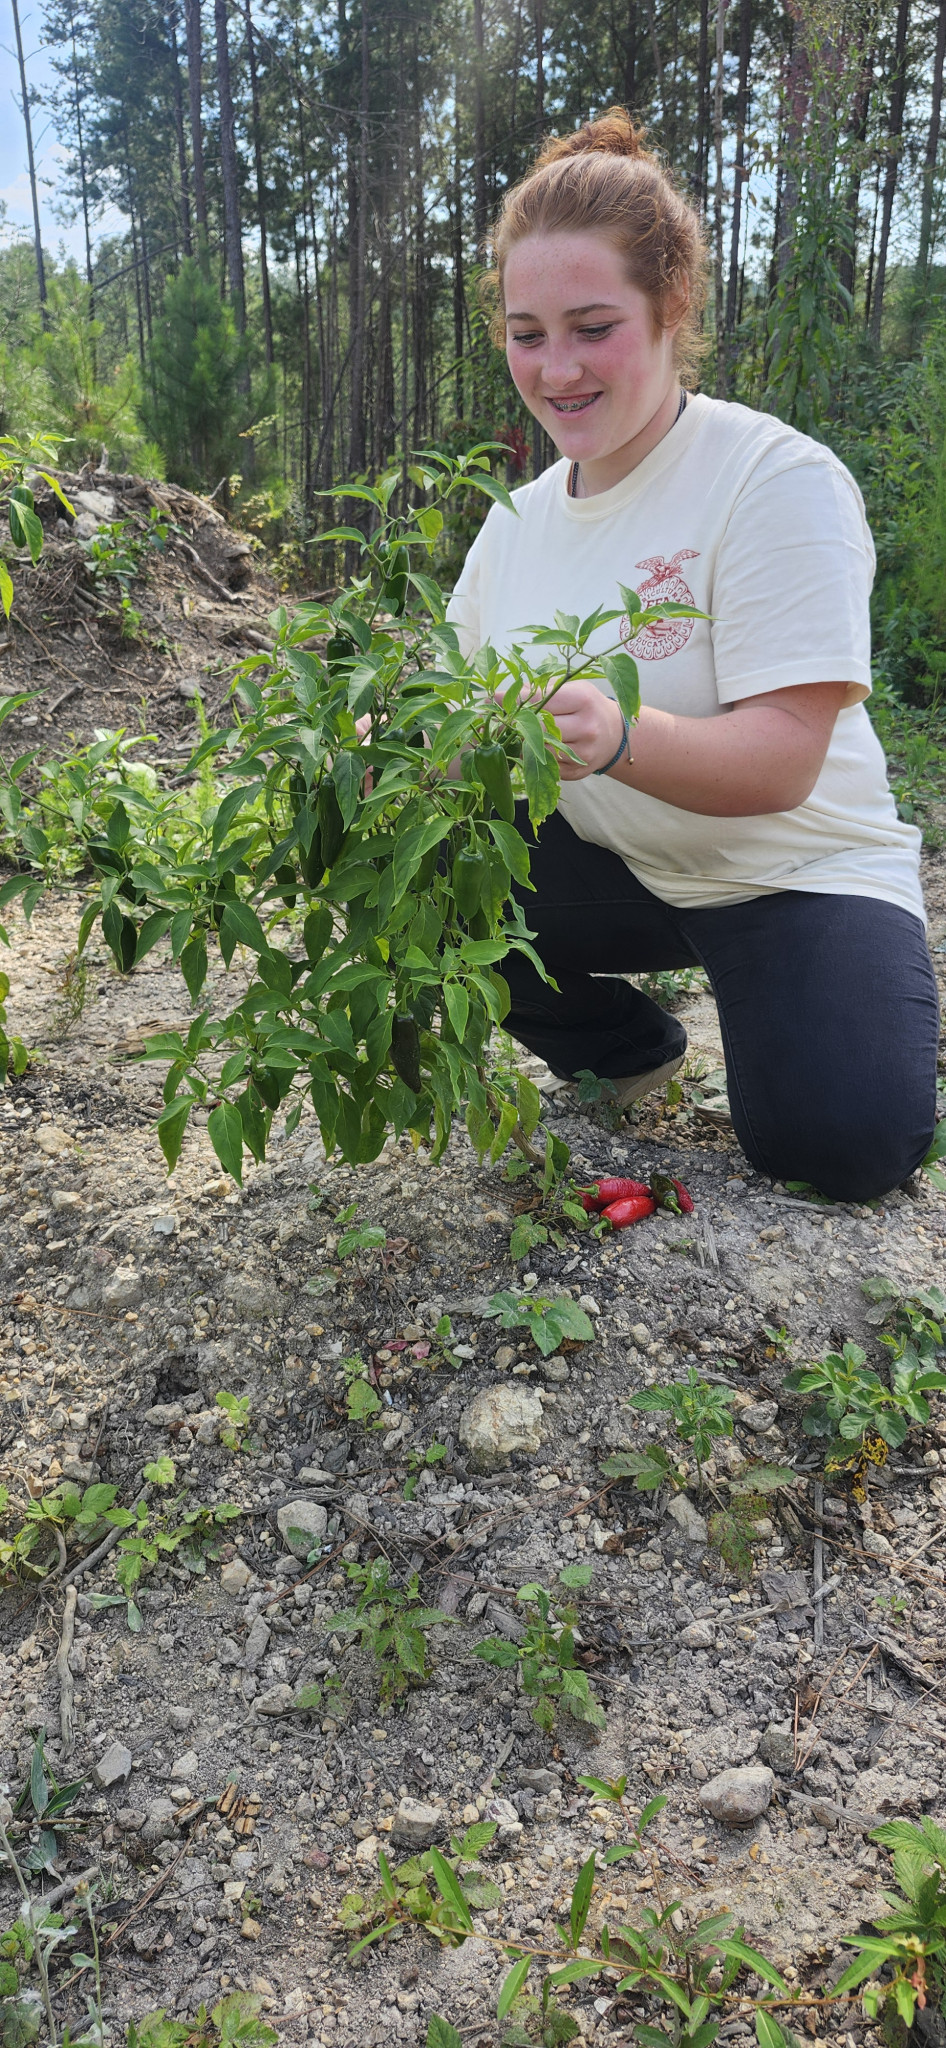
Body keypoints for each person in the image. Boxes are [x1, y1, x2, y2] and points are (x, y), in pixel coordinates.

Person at [446, 108, 939, 1204]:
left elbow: (782, 760)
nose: (556, 368)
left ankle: (822, 990)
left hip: (790, 872)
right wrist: (393, 738)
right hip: (623, 865)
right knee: (428, 870)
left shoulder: (772, 479)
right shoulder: (514, 523)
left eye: (593, 327)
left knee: (843, 1144)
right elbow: (456, 706)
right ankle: (623, 1050)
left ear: (671, 308)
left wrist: (619, 733)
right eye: (527, 333)